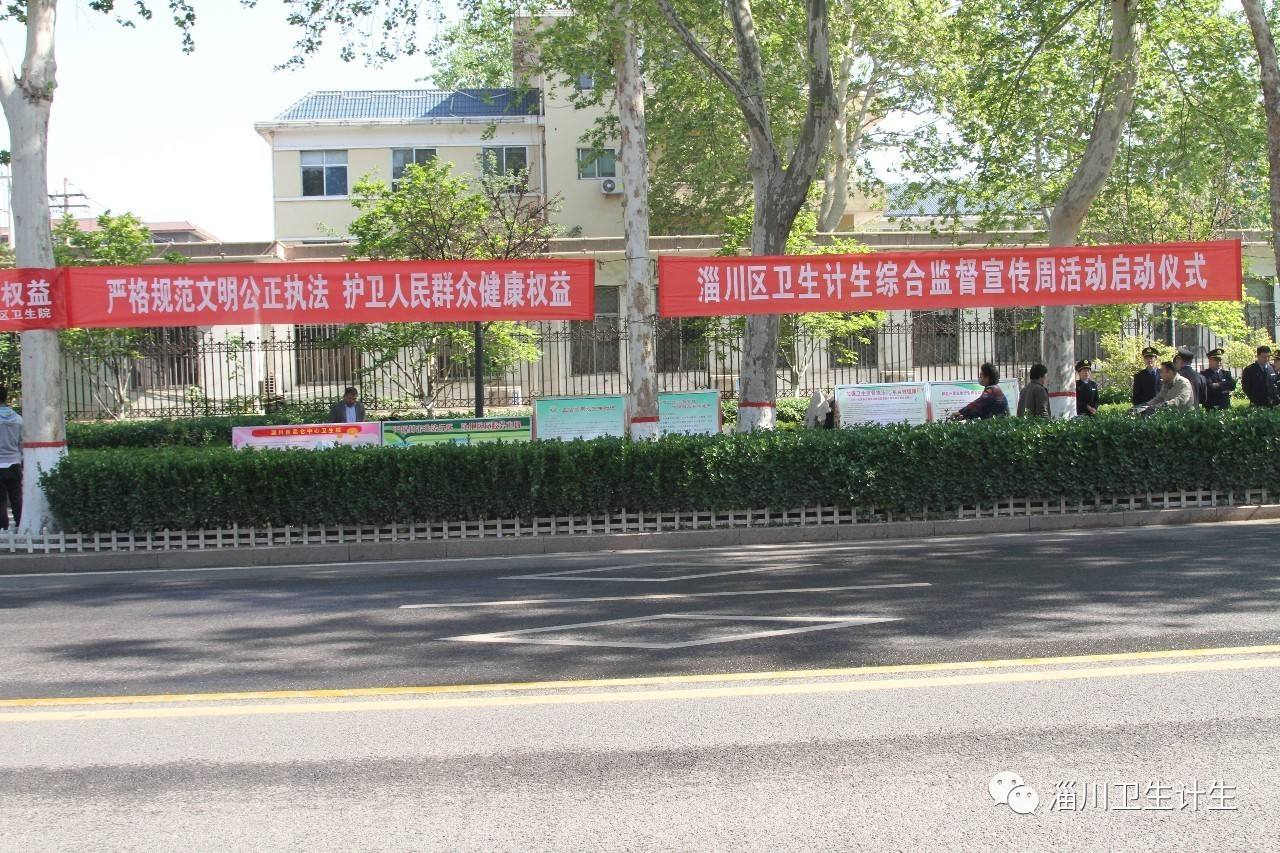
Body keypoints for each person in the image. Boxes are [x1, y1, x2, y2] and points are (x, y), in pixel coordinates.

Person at [0, 387, 21, 530]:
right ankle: (20, 525)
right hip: (14, 463)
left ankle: (3, 528)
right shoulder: (18, 419)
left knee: (0, 500)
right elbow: (22, 442)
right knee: (16, 497)